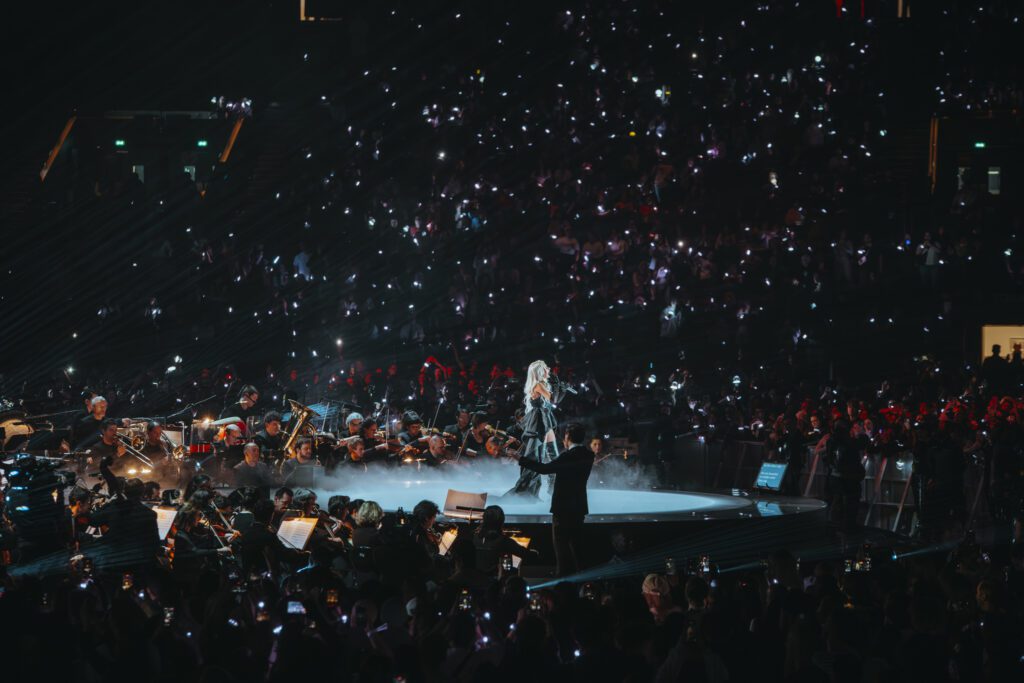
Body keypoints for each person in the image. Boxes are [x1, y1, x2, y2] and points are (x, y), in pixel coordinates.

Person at [509, 422, 594, 576]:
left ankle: (562, 581)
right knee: (577, 548)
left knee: (561, 550)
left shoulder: (568, 456)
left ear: (567, 437)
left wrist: (520, 459)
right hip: (579, 508)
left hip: (563, 509)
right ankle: (582, 580)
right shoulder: (589, 455)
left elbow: (544, 469)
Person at [507, 360, 563, 497]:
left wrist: (562, 388)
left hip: (545, 421)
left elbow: (555, 400)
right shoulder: (538, 385)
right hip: (538, 422)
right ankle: (529, 492)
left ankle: (553, 487)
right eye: (546, 368)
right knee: (537, 457)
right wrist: (557, 386)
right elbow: (553, 399)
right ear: (540, 371)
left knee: (554, 456)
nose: (548, 369)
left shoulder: (543, 385)